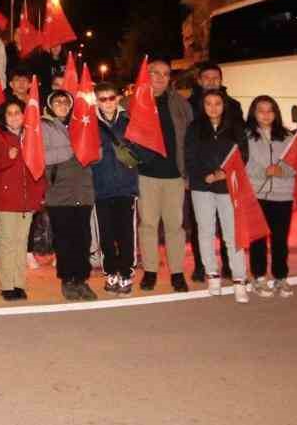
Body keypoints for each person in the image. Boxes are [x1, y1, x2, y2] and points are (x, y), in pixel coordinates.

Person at [127, 58, 193, 292]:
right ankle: (150, 272)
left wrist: (188, 172)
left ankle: (177, 273)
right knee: (148, 225)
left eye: (165, 74)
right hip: (145, 176)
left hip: (174, 175)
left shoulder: (180, 103)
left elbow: (190, 138)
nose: (160, 78)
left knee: (175, 227)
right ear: (146, 74)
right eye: (155, 72)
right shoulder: (132, 102)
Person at [185, 90, 248, 300]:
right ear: (202, 106)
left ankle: (239, 279)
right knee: (206, 231)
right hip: (201, 186)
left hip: (228, 185)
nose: (213, 108)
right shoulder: (195, 127)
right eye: (208, 103)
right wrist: (206, 175)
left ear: (224, 105)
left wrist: (223, 173)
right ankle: (212, 274)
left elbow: (243, 155)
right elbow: (190, 156)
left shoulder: (235, 127)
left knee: (232, 234)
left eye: (217, 103)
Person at [0, 98, 45, 300]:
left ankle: (19, 283)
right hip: (6, 199)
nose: (14, 117)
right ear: (3, 117)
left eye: (17, 112)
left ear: (24, 115)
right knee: (8, 242)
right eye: (9, 113)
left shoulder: (31, 136)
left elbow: (39, 168)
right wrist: (8, 157)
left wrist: (39, 195)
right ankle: (7, 285)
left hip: (27, 200)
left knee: (21, 243)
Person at [42, 88, 96, 301]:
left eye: (66, 102)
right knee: (64, 240)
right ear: (50, 105)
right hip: (59, 191)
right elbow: (41, 156)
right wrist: (72, 149)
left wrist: (90, 150)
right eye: (57, 102)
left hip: (82, 189)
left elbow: (96, 151)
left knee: (83, 239)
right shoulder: (44, 125)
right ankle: (67, 280)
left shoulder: (81, 123)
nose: (62, 105)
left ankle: (81, 279)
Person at [243, 95, 296, 298]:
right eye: (261, 111)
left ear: (276, 113)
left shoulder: (288, 136)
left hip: (283, 195)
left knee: (280, 239)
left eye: (270, 110)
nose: (266, 115)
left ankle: (280, 277)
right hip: (257, 194)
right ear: (253, 113)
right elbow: (244, 163)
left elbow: (296, 162)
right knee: (257, 239)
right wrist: (264, 172)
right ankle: (259, 276)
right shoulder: (246, 136)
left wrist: (282, 171)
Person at [91, 81, 139, 295]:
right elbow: (83, 152)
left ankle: (126, 273)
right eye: (103, 99)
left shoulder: (129, 121)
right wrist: (95, 156)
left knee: (126, 234)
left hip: (125, 187)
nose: (108, 103)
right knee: (106, 235)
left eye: (111, 98)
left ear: (118, 98)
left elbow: (140, 149)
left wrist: (131, 153)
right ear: (97, 102)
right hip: (101, 188)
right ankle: (110, 272)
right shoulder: (89, 124)